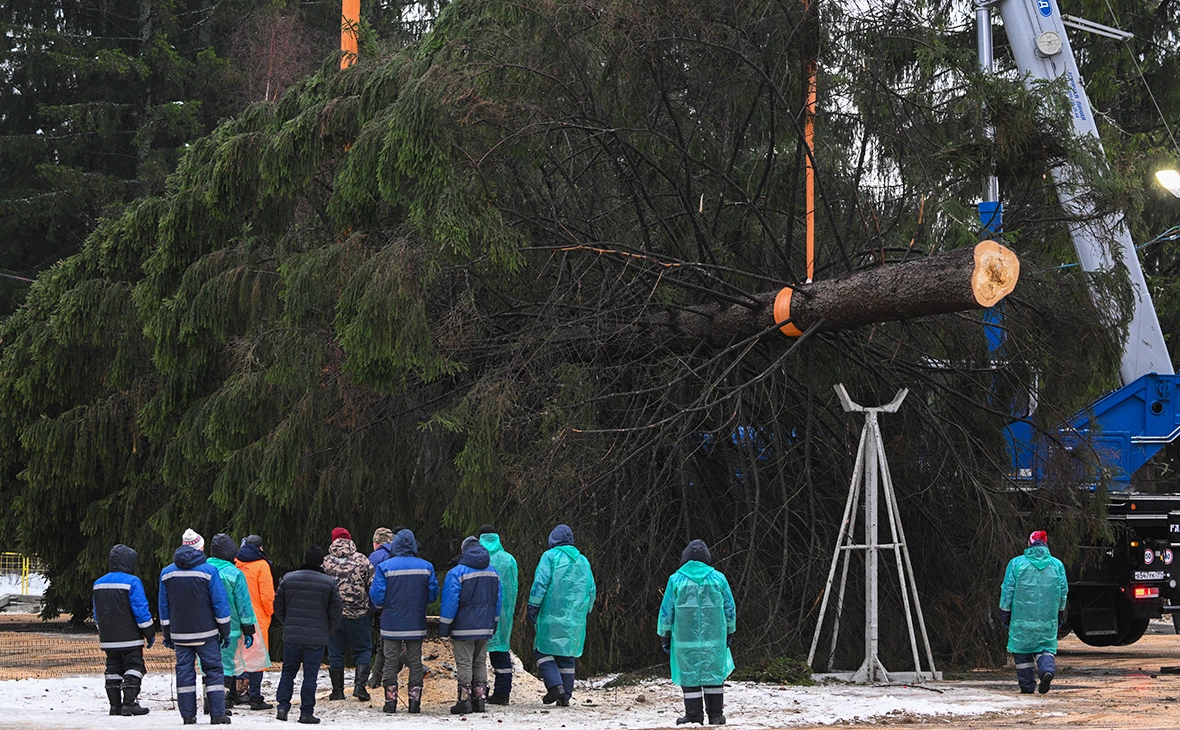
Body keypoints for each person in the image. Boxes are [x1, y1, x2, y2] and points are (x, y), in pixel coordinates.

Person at [657, 539, 736, 725]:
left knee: (689, 676)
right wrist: (730, 631)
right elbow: (730, 609)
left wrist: (664, 635)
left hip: (685, 641)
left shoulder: (676, 580)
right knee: (714, 675)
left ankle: (693, 716)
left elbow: (667, 611)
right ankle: (716, 715)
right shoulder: (719, 579)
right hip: (714, 640)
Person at [159, 528, 233, 725]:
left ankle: (188, 715)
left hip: (180, 634)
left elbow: (164, 606)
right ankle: (217, 714)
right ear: (200, 548)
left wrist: (167, 634)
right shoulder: (209, 571)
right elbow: (220, 604)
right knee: (213, 671)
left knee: (184, 672)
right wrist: (225, 631)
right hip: (207, 633)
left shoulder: (167, 573)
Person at [370, 528, 438, 714]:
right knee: (415, 661)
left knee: (390, 661)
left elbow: (377, 597)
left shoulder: (385, 567)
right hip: (415, 621)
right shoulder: (426, 567)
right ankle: (414, 703)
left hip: (391, 622)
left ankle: (390, 702)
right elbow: (432, 595)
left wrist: (385, 606)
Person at [526, 524, 596, 707]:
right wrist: (587, 611)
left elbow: (540, 583)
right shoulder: (583, 560)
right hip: (575, 617)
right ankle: (565, 695)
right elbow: (591, 590)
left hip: (551, 614)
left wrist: (533, 606)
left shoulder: (550, 557)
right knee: (566, 654)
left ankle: (555, 686)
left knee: (541, 650)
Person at [273, 545, 343, 723]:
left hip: (292, 634)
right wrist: (326, 629)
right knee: (310, 675)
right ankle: (306, 712)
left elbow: (278, 606)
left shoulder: (288, 579)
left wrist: (288, 622)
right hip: (316, 636)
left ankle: (282, 707)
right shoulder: (329, 583)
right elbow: (336, 612)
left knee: (288, 671)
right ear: (321, 562)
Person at [1000, 530, 1069, 695]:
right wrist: (1060, 612)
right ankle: (1047, 671)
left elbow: (1008, 590)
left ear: (1029, 543)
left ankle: (1027, 687)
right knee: (1045, 649)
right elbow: (1063, 592)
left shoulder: (1016, 564)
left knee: (1022, 652)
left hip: (1021, 618)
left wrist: (1005, 612)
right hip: (1047, 618)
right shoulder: (1057, 565)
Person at [439, 536, 502, 714]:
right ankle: (480, 700)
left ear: (463, 551)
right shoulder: (494, 572)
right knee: (480, 661)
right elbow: (498, 601)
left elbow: (450, 603)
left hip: (463, 626)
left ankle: (464, 700)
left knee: (465, 662)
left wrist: (444, 628)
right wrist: (494, 623)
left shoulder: (457, 573)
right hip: (485, 625)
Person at [92, 544, 155, 717]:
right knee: (134, 667)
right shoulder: (132, 582)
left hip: (108, 637)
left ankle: (114, 705)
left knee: (113, 668)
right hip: (130, 637)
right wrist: (149, 633)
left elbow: (97, 613)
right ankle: (129, 703)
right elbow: (140, 610)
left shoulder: (98, 584)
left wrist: (102, 630)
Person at [322, 527, 375, 702]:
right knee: (363, 650)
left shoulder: (326, 562)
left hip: (334, 616)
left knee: (336, 653)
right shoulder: (362, 560)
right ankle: (360, 687)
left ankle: (337, 691)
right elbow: (373, 585)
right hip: (359, 614)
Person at [208, 534, 258, 712]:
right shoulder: (234, 573)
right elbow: (243, 604)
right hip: (231, 627)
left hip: (205, 628)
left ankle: (208, 698)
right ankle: (221, 702)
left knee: (208, 664)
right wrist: (249, 629)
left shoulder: (203, 569)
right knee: (227, 665)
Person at [479, 524, 519, 705]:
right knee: (501, 651)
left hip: (481, 611)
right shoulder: (509, 559)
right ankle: (502, 692)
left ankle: (478, 691)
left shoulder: (479, 560)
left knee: (477, 654)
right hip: (505, 611)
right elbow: (514, 586)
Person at [234, 535, 275, 710]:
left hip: (237, 617)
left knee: (238, 655)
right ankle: (255, 696)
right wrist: (270, 612)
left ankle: (236, 693)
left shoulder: (235, 563)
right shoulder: (261, 565)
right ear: (261, 548)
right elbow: (267, 595)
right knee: (257, 658)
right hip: (257, 618)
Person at [365, 527, 397, 691]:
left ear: (376, 542)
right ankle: (375, 678)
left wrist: (372, 607)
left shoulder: (375, 557)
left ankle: (421, 669)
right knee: (385, 642)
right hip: (398, 604)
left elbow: (372, 584)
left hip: (382, 606)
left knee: (387, 642)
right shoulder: (399, 554)